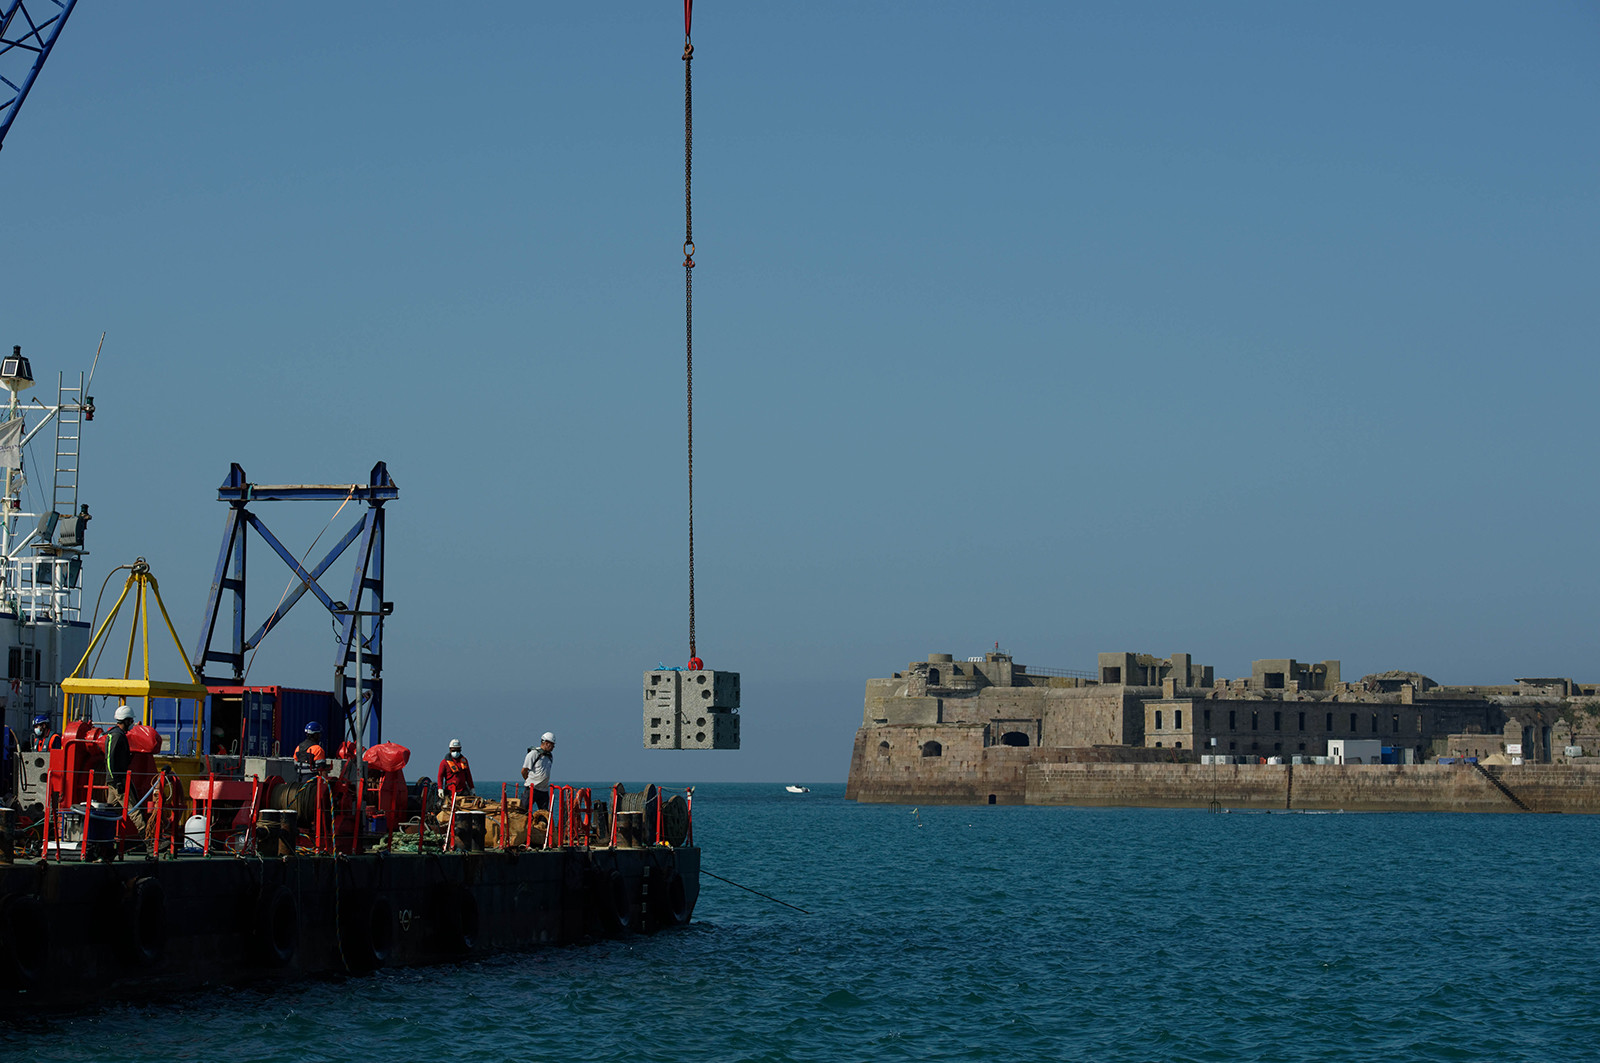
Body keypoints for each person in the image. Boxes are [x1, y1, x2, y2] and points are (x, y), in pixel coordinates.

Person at [103, 704, 147, 840]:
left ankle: (105, 840)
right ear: (126, 720)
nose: (132, 724)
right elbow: (109, 759)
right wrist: (116, 781)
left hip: (116, 781)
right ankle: (149, 840)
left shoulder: (118, 735)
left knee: (110, 810)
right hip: (118, 781)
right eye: (131, 721)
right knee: (134, 809)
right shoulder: (116, 736)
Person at [521, 732, 555, 811]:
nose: (553, 747)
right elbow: (524, 771)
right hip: (532, 789)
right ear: (546, 743)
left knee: (544, 814)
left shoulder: (550, 756)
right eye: (552, 745)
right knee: (524, 812)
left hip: (544, 790)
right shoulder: (533, 754)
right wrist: (529, 781)